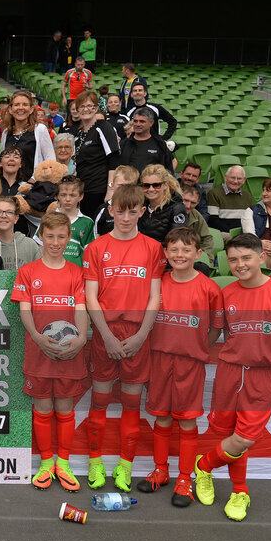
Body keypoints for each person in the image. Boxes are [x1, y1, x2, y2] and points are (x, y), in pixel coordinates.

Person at [193, 233, 271, 521]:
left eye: (246, 258)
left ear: (262, 258)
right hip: (229, 373)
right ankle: (239, 491)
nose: (240, 264)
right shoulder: (226, 294)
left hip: (264, 376)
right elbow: (217, 332)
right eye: (233, 259)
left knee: (243, 439)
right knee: (229, 435)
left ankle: (204, 465)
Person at [127, 226, 222, 506]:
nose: (180, 254)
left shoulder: (209, 287)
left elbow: (216, 327)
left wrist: (199, 348)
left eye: (186, 249)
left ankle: (184, 478)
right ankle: (161, 470)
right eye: (174, 249)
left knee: (187, 418)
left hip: (190, 363)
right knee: (162, 417)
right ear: (165, 253)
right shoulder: (158, 282)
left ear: (198, 252)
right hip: (159, 359)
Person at [82, 184, 165, 492]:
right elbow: (91, 298)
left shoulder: (153, 248)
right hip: (105, 334)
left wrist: (142, 335)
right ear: (112, 209)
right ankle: (95, 462)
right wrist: (105, 337)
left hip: (137, 334)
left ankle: (125, 466)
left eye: (133, 211)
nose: (126, 218)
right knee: (100, 401)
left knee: (132, 406)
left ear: (142, 211)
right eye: (121, 211)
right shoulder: (95, 248)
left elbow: (155, 296)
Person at [11, 211, 88, 492]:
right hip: (39, 352)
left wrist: (80, 340)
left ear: (69, 239)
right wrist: (36, 337)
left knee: (65, 408)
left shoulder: (77, 273)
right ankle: (45, 463)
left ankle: (63, 463)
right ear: (40, 237)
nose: (55, 242)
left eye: (61, 237)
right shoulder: (28, 272)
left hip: (69, 352)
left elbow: (81, 309)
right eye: (50, 236)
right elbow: (24, 309)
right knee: (42, 408)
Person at [72, 91, 120, 217]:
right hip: (84, 191)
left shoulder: (103, 127)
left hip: (99, 190)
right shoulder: (80, 134)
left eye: (90, 106)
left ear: (96, 108)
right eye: (82, 106)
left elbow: (114, 159)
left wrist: (111, 189)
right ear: (77, 109)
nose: (86, 109)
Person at [0, 91, 54, 182]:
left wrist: (33, 180)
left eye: (25, 104)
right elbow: (1, 161)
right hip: (9, 187)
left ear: (31, 109)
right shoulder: (6, 132)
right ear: (10, 109)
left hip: (33, 187)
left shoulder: (40, 130)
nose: (21, 108)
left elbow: (50, 161)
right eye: (16, 105)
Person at [0, 196, 42, 270]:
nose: (4, 216)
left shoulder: (30, 245)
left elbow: (41, 274)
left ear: (16, 218)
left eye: (9, 212)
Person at [54, 176, 95, 266]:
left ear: (81, 196)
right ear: (57, 196)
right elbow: (40, 248)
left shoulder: (87, 222)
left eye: (72, 195)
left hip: (77, 274)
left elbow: (90, 253)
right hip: (52, 273)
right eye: (63, 195)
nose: (67, 199)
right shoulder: (49, 219)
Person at [119, 108, 175, 173]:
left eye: (142, 121)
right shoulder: (124, 144)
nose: (138, 124)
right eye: (135, 121)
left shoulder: (159, 144)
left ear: (151, 123)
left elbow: (169, 169)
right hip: (129, 182)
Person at [207, 165, 253, 238]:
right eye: (232, 177)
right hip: (223, 233)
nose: (235, 181)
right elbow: (213, 220)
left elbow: (249, 219)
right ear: (226, 178)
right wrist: (233, 234)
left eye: (239, 178)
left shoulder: (247, 196)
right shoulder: (214, 193)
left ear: (244, 180)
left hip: (242, 234)